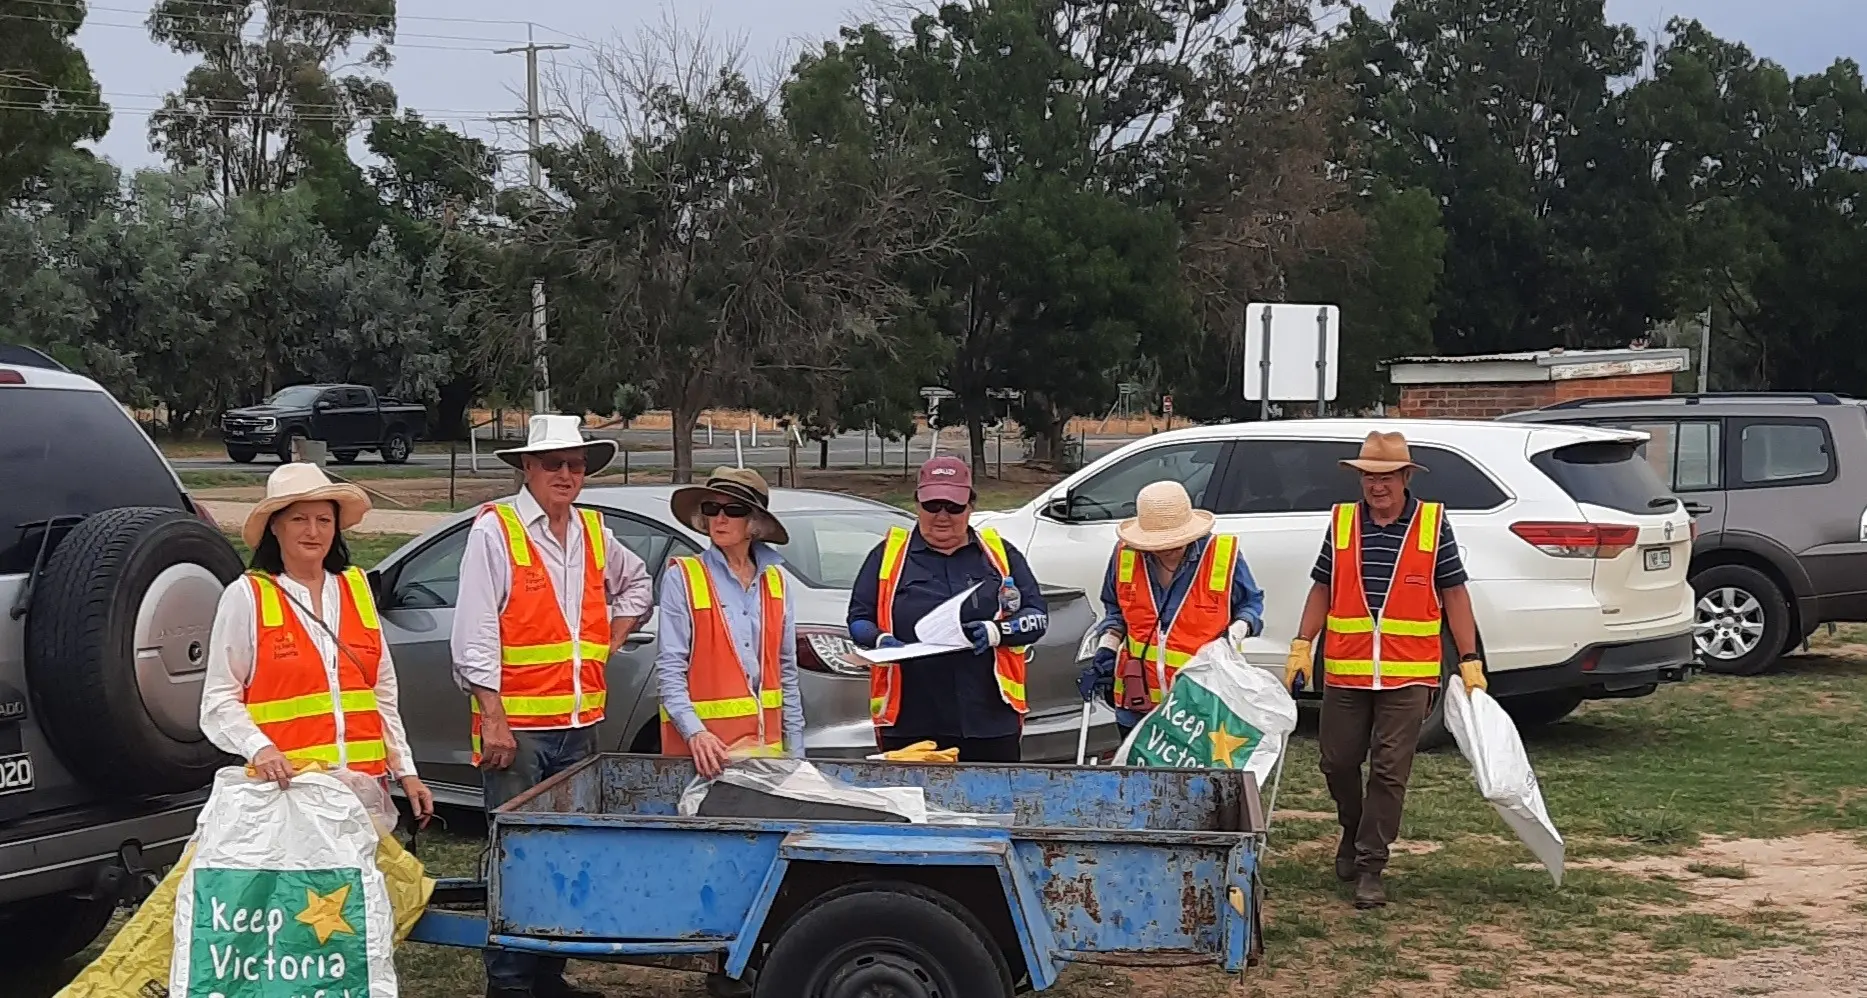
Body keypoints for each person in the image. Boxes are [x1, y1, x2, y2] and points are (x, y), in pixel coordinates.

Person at [451, 414, 653, 998]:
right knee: (516, 862)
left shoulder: (592, 532)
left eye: (575, 464)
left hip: (578, 724)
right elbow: (475, 633)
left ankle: (549, 978)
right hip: (518, 731)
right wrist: (493, 716)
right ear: (528, 468)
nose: (566, 475)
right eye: (553, 464)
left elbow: (636, 585)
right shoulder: (497, 530)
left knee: (564, 858)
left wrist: (609, 639)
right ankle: (511, 984)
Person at [1285, 431, 1483, 910]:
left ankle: (1371, 864)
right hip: (1347, 672)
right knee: (1336, 761)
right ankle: (1353, 830)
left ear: (1406, 477)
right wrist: (1301, 643)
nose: (1377, 486)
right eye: (1369, 477)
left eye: (1386, 477)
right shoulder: (1343, 522)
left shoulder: (1433, 524)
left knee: (1390, 770)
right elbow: (1323, 586)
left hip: (1409, 673)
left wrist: (1470, 658)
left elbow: (1454, 593)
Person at [200, 463, 434, 828]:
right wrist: (259, 748)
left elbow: (381, 691)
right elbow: (218, 699)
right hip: (289, 796)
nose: (313, 531)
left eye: (324, 520)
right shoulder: (247, 596)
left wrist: (406, 770)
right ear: (274, 526)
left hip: (365, 792)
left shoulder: (356, 588)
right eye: (299, 520)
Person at [846, 456, 1049, 762]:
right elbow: (859, 619)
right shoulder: (888, 555)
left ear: (971, 505)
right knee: (915, 807)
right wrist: (881, 642)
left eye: (954, 507)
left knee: (992, 806)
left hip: (989, 719)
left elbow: (1037, 617)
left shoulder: (999, 554)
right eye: (932, 505)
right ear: (917, 504)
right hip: (910, 720)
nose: (942, 516)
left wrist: (997, 632)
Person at [1077, 480, 1265, 739]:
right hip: (1138, 703)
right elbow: (1116, 611)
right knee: (1139, 776)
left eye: (1177, 541)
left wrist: (1234, 633)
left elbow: (1250, 605)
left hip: (1200, 703)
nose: (1168, 550)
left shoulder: (1222, 555)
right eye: (1158, 544)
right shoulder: (1125, 555)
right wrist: (1106, 650)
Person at [656, 467, 805, 778]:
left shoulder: (776, 582)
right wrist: (695, 732)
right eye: (712, 509)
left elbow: (786, 671)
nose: (720, 519)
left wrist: (797, 754)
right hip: (704, 758)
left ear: (755, 524)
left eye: (733, 510)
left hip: (766, 756)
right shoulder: (682, 577)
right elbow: (670, 669)